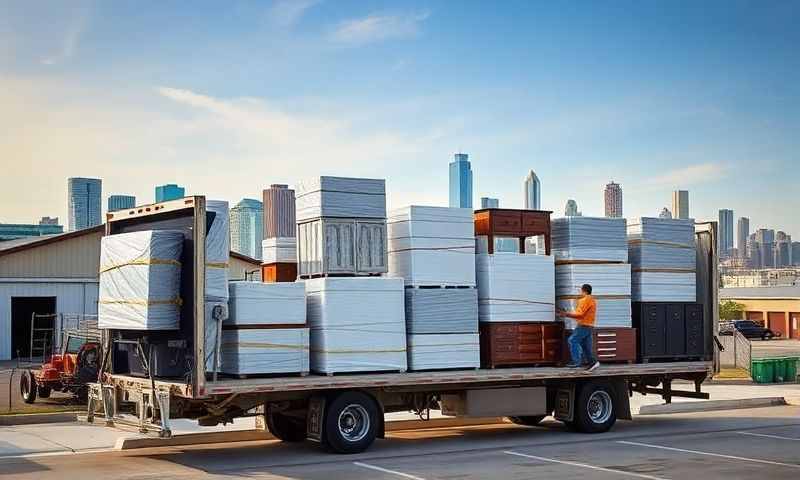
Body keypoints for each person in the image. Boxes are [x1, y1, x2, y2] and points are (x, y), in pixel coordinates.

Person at [557, 283, 600, 371]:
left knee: (572, 340)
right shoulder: (591, 300)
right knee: (585, 345)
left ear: (583, 290)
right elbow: (579, 312)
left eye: (580, 290)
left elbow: (580, 314)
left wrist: (566, 314)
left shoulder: (586, 300)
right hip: (589, 325)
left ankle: (576, 362)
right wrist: (566, 313)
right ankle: (592, 362)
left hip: (584, 325)